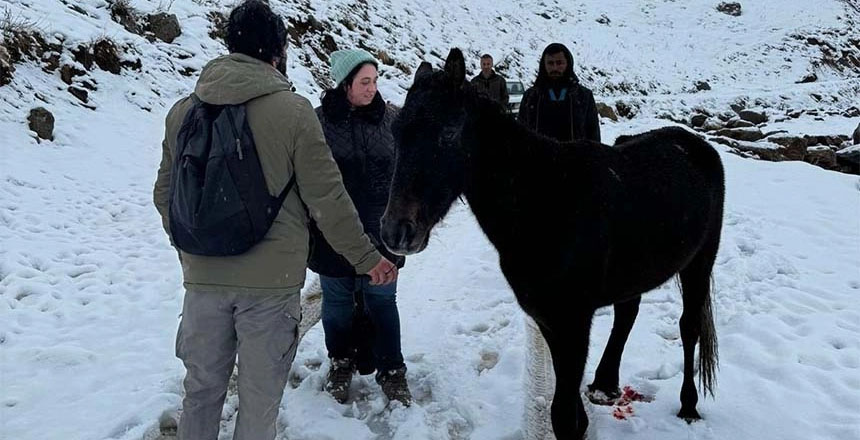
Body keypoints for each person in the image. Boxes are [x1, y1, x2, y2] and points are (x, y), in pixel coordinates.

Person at [152, 2, 397, 439]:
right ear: (278, 50)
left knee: (202, 393)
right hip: (270, 285)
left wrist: (193, 253)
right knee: (259, 402)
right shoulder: (293, 111)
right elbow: (328, 200)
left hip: (202, 281)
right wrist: (367, 258)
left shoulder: (182, 112)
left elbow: (165, 196)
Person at [310, 48, 412, 406]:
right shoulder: (317, 122)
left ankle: (392, 369)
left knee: (383, 302)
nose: (372, 89)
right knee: (336, 302)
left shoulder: (393, 121)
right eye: (364, 82)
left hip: (382, 232)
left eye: (374, 81)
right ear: (344, 84)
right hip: (331, 234)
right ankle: (341, 361)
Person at [517, 43, 601, 143]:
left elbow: (593, 135)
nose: (555, 68)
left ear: (568, 63)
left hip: (575, 157)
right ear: (544, 65)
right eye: (550, 63)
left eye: (559, 63)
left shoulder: (583, 96)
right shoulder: (531, 96)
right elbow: (520, 134)